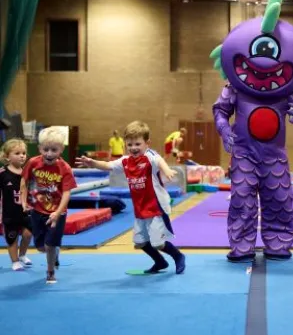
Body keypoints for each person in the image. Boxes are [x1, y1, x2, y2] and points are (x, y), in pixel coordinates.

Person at [76, 120, 186, 275]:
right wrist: (92, 162)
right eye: (130, 145)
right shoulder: (126, 161)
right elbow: (108, 165)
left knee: (158, 243)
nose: (133, 148)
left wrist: (167, 170)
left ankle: (178, 256)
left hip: (156, 206)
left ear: (147, 143)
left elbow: (160, 160)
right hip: (140, 208)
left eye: (138, 144)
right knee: (140, 242)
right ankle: (160, 262)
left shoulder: (150, 156)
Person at [20, 127, 77, 284]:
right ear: (39, 148)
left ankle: (50, 271)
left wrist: (58, 212)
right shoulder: (33, 163)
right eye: (45, 149)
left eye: (54, 150)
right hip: (37, 210)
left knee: (49, 245)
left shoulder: (64, 168)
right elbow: (24, 182)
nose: (49, 154)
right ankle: (54, 251)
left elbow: (66, 193)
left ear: (61, 150)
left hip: (57, 212)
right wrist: (24, 201)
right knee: (40, 247)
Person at [0, 139, 33, 271]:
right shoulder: (2, 174)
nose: (22, 156)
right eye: (17, 153)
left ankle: (23, 254)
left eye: (24, 153)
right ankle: (14, 261)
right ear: (7, 156)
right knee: (12, 237)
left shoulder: (28, 172)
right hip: (9, 213)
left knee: (28, 234)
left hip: (25, 211)